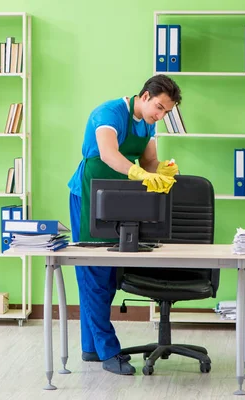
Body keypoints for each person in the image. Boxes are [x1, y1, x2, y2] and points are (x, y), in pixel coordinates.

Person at [67, 74, 181, 375]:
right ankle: (108, 352)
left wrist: (163, 170)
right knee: (93, 271)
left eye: (166, 112)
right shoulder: (109, 113)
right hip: (90, 195)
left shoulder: (149, 122)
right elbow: (107, 154)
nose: (160, 115)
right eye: (159, 107)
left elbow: (148, 162)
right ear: (144, 96)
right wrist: (141, 175)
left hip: (119, 197)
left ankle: (91, 347)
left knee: (110, 274)